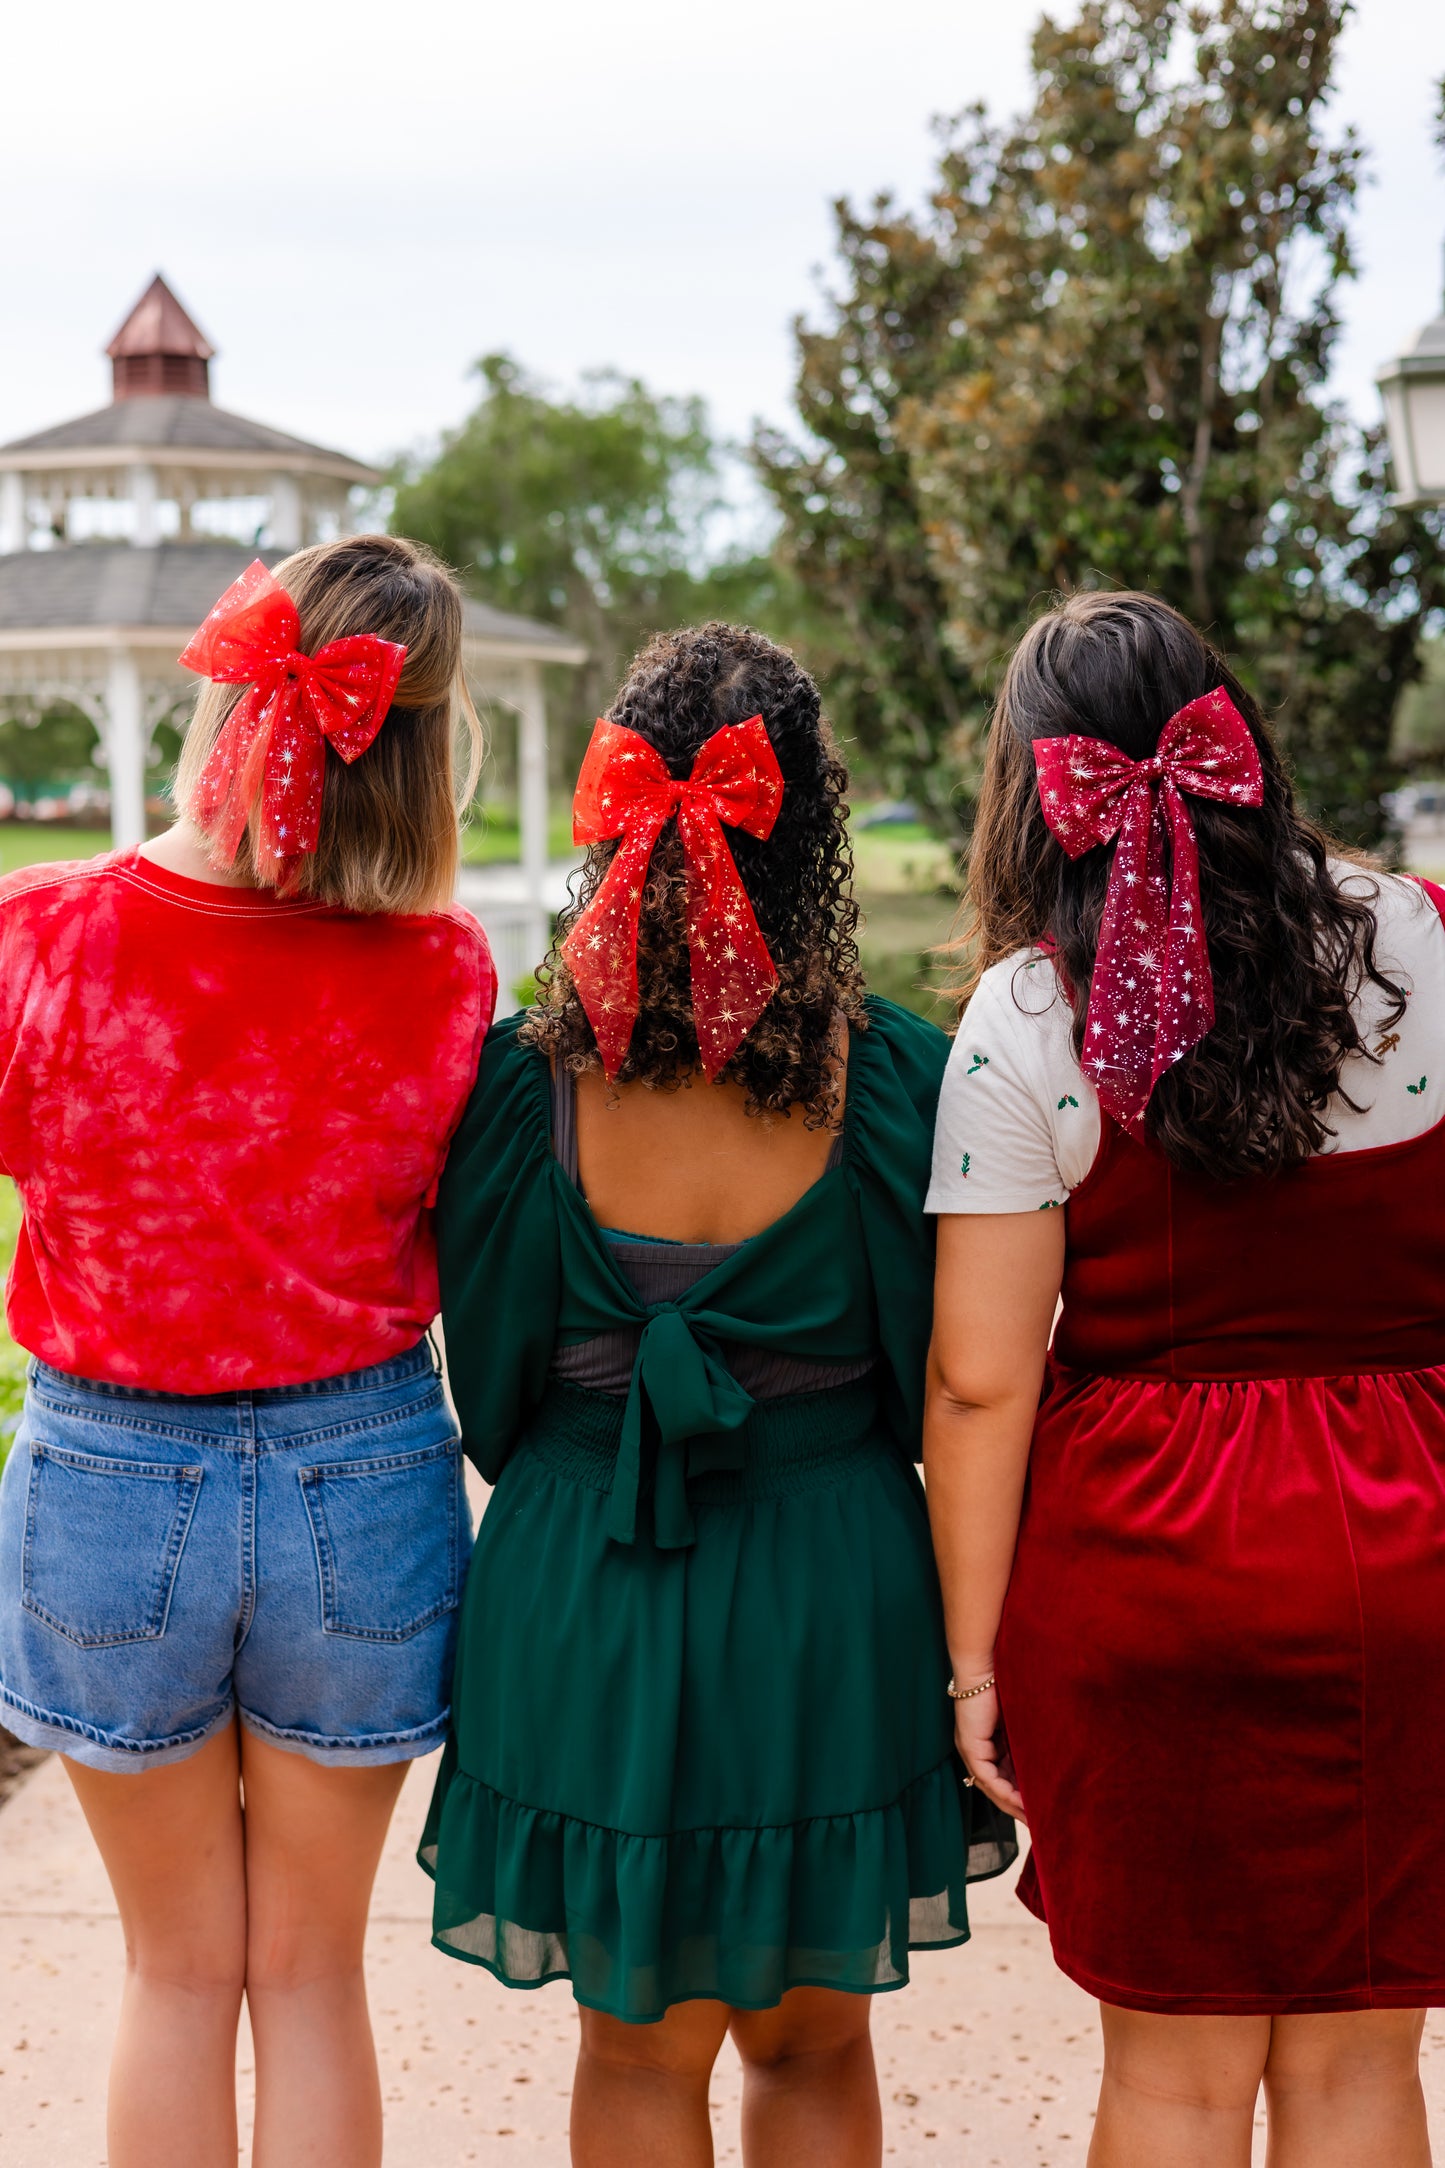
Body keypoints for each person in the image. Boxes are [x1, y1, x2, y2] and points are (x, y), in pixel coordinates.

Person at [423, 623, 1014, 2168]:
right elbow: (933, 1378)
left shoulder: (511, 1089)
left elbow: (485, 1385)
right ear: (809, 830)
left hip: (585, 1584)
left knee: (628, 2055)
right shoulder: (895, 1080)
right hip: (828, 1595)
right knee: (816, 2048)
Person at [923, 586, 1445, 2168]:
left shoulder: (1022, 1018)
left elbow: (977, 1385)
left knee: (1169, 2076)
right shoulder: (1426, 937)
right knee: (1365, 2062)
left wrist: (971, 1669)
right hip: (1407, 1549)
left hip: (1144, 1574)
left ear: (1033, 785)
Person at [0, 535, 496, 2168]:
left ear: (222, 694)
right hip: (360, 1481)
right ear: (422, 751)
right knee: (307, 1975)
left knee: (173, 1969)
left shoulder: (40, 941)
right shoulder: (443, 970)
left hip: (111, 1478)